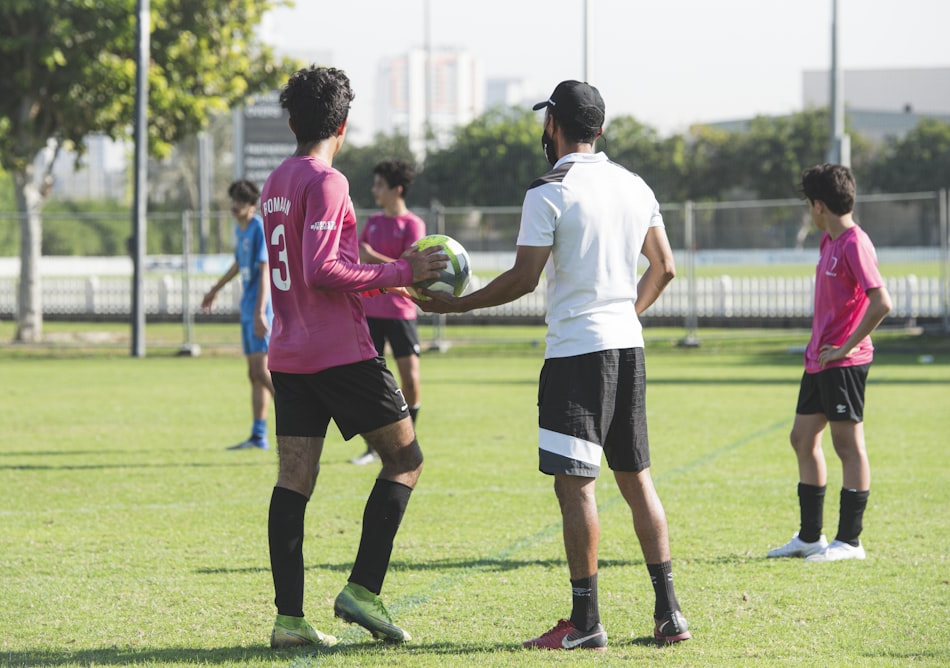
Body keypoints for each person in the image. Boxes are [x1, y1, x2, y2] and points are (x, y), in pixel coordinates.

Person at [418, 80, 690, 651]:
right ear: (601, 128)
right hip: (627, 349)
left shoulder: (549, 190)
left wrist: (456, 304)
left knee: (577, 487)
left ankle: (586, 622)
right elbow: (663, 268)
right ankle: (669, 615)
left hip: (576, 356)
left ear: (554, 126)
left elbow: (522, 278)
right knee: (637, 480)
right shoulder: (634, 185)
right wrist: (620, 314)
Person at [259, 65, 446, 649]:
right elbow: (324, 270)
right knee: (406, 460)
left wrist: (390, 278)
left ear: (292, 121)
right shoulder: (327, 181)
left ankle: (290, 620)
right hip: (339, 352)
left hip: (288, 352)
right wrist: (402, 273)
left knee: (295, 480)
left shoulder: (273, 182)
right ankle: (362, 590)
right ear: (342, 124)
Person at [767, 164, 893, 562]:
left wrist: (843, 347)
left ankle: (850, 541)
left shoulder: (855, 243)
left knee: (848, 445)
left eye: (809, 204)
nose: (809, 211)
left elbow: (882, 302)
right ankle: (809, 537)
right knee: (802, 438)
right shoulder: (829, 242)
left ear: (819, 205)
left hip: (844, 361)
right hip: (819, 361)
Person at [351, 159, 427, 466]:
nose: (374, 190)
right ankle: (374, 447)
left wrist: (373, 257)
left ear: (397, 190)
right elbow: (360, 260)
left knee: (409, 377)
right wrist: (371, 259)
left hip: (401, 310)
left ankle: (409, 439)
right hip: (370, 309)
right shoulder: (373, 223)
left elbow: (411, 270)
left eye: (380, 185)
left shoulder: (413, 225)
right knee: (370, 382)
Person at [201, 179, 274, 450]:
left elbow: (265, 270)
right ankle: (258, 435)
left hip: (260, 307)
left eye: (241, 201)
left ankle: (294, 411)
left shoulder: (259, 229)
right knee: (253, 374)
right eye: (233, 200)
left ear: (252, 206)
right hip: (248, 306)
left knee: (261, 370)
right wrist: (215, 289)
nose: (235, 205)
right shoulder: (241, 230)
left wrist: (259, 313)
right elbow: (238, 264)